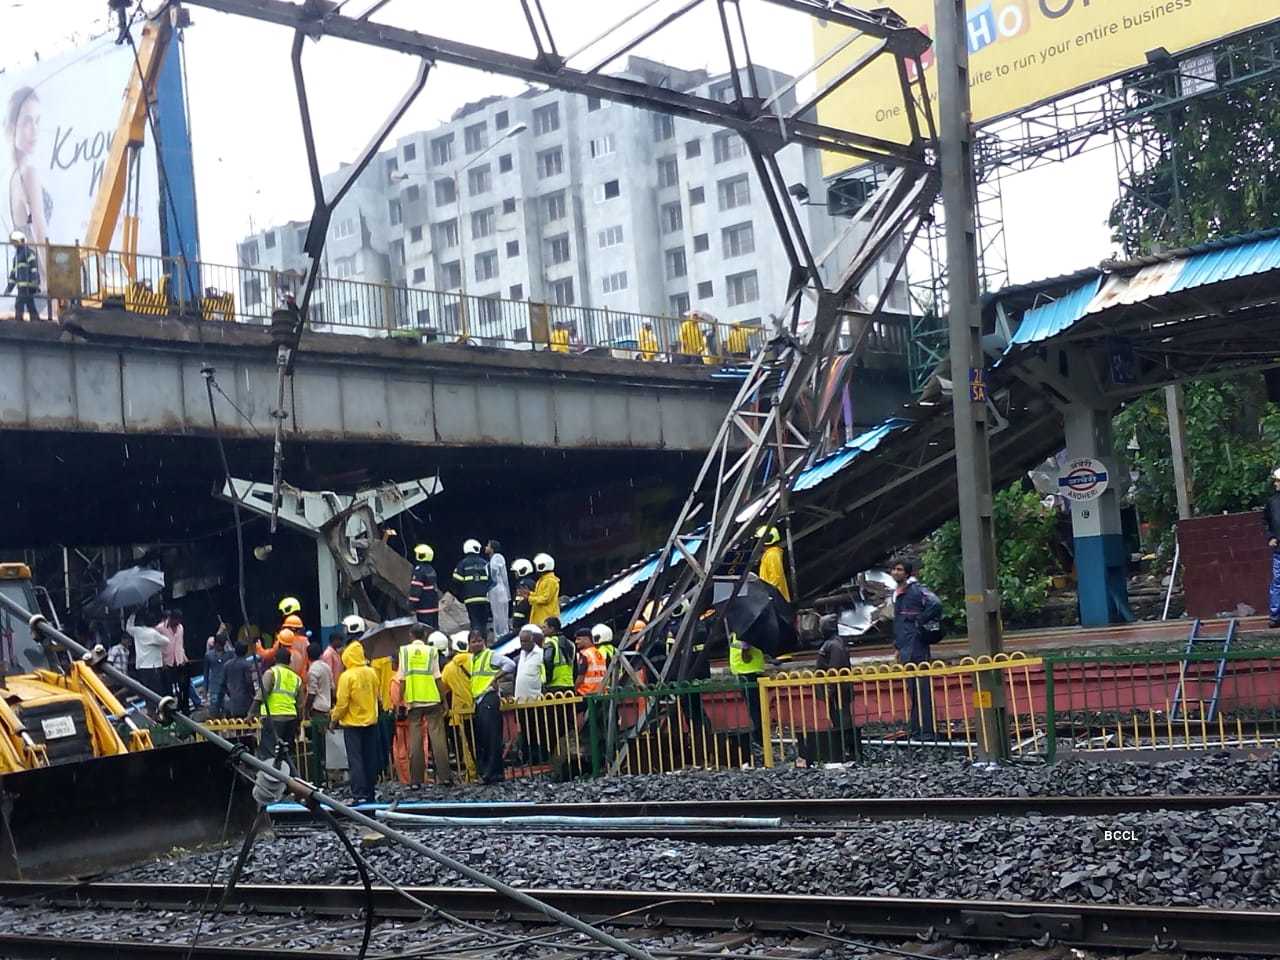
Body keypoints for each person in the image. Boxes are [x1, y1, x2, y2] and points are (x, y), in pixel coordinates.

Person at [889, 557, 942, 739]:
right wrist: (897, 646)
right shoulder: (899, 594)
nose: (895, 572)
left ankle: (926, 730)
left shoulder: (916, 590)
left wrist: (920, 620)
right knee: (913, 688)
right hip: (905, 646)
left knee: (921, 688)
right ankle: (917, 728)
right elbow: (899, 623)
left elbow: (935, 603)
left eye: (899, 569)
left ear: (907, 573)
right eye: (894, 569)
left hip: (917, 645)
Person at [397, 624, 453, 787]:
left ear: (411, 635)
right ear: (425, 636)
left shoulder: (404, 652)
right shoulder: (432, 651)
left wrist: (401, 702)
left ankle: (416, 780)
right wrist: (444, 700)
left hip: (414, 701)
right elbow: (437, 677)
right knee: (438, 739)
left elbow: (402, 679)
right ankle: (445, 777)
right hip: (432, 700)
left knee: (416, 741)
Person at [332, 637, 381, 804]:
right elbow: (376, 694)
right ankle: (370, 792)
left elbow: (342, 703)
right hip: (371, 722)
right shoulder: (371, 672)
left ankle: (358, 793)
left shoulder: (347, 676)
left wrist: (334, 719)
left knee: (356, 760)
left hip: (352, 724)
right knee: (369, 759)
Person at [468, 630, 515, 784]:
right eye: (473, 641)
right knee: (485, 738)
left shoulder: (490, 655)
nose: (477, 644)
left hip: (489, 697)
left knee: (492, 737)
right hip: (480, 699)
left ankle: (490, 773)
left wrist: (496, 677)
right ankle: (494, 773)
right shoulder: (475, 659)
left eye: (479, 640)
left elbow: (510, 664)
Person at [811, 616, 860, 762]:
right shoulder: (834, 643)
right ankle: (847, 748)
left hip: (838, 690)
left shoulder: (833, 645)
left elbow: (835, 669)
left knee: (841, 719)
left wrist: (830, 689)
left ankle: (848, 749)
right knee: (839, 718)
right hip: (837, 689)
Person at [6, 89, 49, 254]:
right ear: (12, 127)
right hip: (37, 268)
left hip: (24, 265)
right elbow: (39, 229)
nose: (35, 130)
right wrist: (49, 277)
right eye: (27, 122)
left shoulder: (12, 178)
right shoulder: (29, 173)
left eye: (37, 121)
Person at [251, 646, 303, 763]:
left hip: (273, 718)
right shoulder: (296, 678)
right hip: (291, 719)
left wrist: (251, 713)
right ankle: (289, 777)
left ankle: (272, 779)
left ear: (274, 659)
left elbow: (261, 694)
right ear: (289, 661)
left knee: (270, 753)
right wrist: (298, 724)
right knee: (286, 753)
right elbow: (300, 705)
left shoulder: (271, 673)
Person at [439, 634, 476, 781]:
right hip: (479, 707)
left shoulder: (449, 668)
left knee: (466, 745)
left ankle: (471, 773)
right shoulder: (477, 661)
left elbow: (442, 689)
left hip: (459, 712)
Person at [728, 627, 767, 751]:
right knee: (754, 707)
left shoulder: (746, 627)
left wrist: (743, 646)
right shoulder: (741, 626)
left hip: (748, 671)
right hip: (746, 670)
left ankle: (759, 739)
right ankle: (759, 738)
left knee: (754, 708)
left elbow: (745, 645)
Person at [126, 610, 171, 709]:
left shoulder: (138, 631)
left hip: (142, 666)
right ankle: (158, 711)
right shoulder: (153, 633)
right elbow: (166, 641)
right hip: (153, 666)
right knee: (156, 691)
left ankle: (150, 710)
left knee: (146, 691)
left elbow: (128, 627)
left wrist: (133, 614)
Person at [305, 639, 334, 785]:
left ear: (308, 656)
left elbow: (311, 693)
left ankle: (321, 778)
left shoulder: (313, 670)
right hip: (327, 709)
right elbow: (332, 689)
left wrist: (305, 709)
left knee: (319, 746)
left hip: (317, 711)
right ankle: (329, 776)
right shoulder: (326, 667)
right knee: (328, 745)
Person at [453, 539, 492, 634]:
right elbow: (492, 580)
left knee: (475, 622)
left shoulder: (462, 564)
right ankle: (484, 643)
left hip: (470, 599)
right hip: (485, 599)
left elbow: (456, 581)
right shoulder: (485, 563)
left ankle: (476, 641)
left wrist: (460, 596)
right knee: (483, 623)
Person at [6, 231, 40, 323]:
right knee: (30, 304)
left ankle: (19, 322)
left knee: (19, 303)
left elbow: (34, 268)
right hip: (22, 285)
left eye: (14, 242)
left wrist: (35, 280)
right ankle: (35, 321)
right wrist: (8, 289)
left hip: (28, 284)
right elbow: (13, 275)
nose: (14, 245)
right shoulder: (17, 257)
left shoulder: (28, 253)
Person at [223, 641, 260, 719]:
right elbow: (249, 683)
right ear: (246, 651)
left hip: (232, 701)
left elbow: (224, 684)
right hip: (245, 702)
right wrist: (253, 695)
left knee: (237, 726)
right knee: (247, 726)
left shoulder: (227, 665)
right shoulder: (246, 665)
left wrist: (230, 694)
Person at [409, 544, 441, 629]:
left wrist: (411, 606)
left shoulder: (419, 571)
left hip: (423, 608)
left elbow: (415, 591)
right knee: (434, 630)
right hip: (434, 607)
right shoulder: (431, 570)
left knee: (425, 631)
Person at [756, 525, 791, 602]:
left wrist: (768, 595)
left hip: (776, 600)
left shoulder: (772, 554)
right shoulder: (769, 554)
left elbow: (775, 578)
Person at [204, 627, 234, 718]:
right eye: (219, 645)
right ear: (215, 644)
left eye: (223, 645)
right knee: (214, 711)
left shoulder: (230, 654)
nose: (221, 647)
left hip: (227, 686)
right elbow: (206, 674)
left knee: (228, 709)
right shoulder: (209, 655)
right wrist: (205, 690)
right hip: (214, 687)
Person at [541, 618, 575, 695]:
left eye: (544, 627)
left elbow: (547, 661)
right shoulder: (570, 643)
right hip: (569, 684)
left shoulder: (550, 642)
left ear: (552, 628)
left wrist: (546, 681)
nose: (542, 630)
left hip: (554, 686)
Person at [485, 540, 511, 637]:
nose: (485, 547)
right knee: (499, 613)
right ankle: (502, 633)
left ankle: (501, 634)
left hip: (497, 589)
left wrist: (490, 583)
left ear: (492, 549)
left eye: (487, 546)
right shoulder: (494, 558)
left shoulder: (496, 557)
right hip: (498, 589)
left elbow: (494, 572)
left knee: (499, 614)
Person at [513, 624, 545, 702]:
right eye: (521, 641)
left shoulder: (541, 654)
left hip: (535, 700)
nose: (523, 644)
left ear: (532, 640)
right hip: (520, 700)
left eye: (526, 641)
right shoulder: (520, 656)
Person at [1265, 467, 1280, 628]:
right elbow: (1266, 521)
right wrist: (1270, 537)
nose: (1275, 484)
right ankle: (1275, 616)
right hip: (1279, 550)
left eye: (1278, 481)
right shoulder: (1272, 502)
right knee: (1277, 582)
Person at [574, 627, 607, 696]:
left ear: (587, 639)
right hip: (600, 693)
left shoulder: (585, 654)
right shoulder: (599, 653)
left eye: (579, 639)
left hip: (586, 693)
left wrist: (574, 689)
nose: (576, 642)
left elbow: (581, 677)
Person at [529, 553, 560, 625]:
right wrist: (529, 594)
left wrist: (530, 598)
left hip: (546, 618)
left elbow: (545, 599)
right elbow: (539, 595)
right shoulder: (541, 580)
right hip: (539, 617)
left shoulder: (550, 581)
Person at [509, 558, 534, 635]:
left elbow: (521, 605)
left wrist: (516, 623)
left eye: (516, 572)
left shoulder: (523, 585)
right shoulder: (531, 583)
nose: (515, 574)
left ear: (522, 571)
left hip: (522, 623)